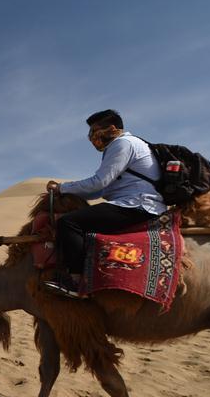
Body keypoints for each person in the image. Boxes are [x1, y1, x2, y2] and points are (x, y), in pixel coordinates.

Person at [43, 109, 166, 298]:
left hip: (136, 204)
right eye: (90, 134)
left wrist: (62, 188)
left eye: (95, 131)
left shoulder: (122, 144)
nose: (92, 138)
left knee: (68, 223)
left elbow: (99, 182)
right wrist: (69, 190)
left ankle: (77, 282)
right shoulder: (126, 144)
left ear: (112, 128)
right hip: (136, 203)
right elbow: (98, 190)